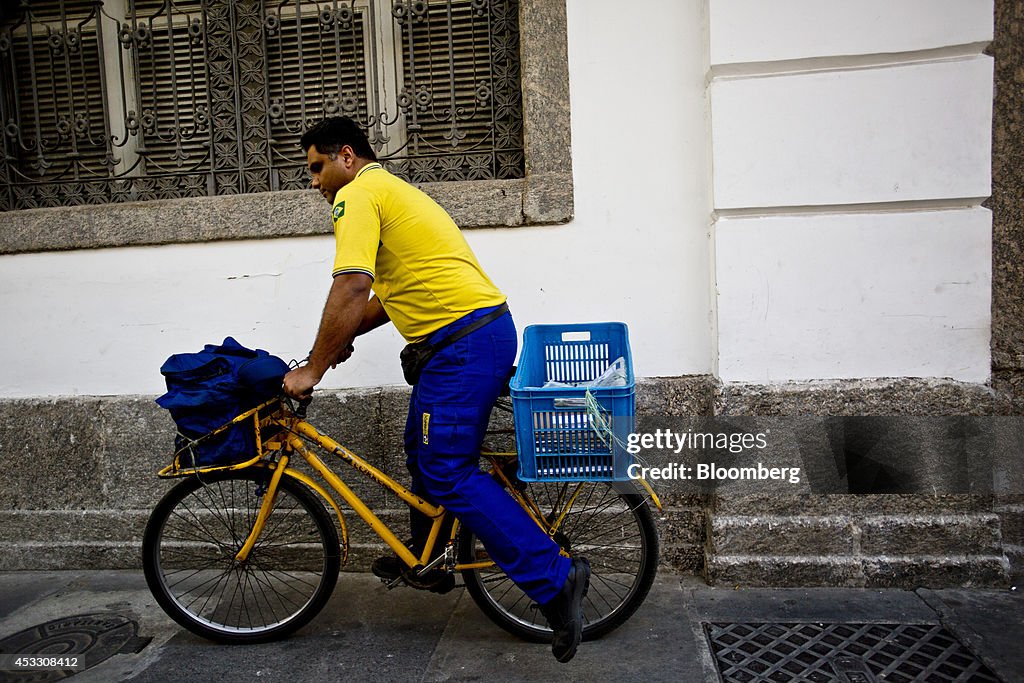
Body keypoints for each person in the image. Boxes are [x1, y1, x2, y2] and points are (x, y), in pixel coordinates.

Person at [282, 116, 590, 662]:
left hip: (464, 345)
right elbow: (390, 290)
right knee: (422, 456)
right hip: (468, 339)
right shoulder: (387, 188)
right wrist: (341, 337)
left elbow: (352, 284)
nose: (314, 182)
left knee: (447, 468)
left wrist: (313, 370)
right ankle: (428, 562)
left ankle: (555, 578)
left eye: (316, 167)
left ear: (345, 156)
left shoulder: (356, 195)